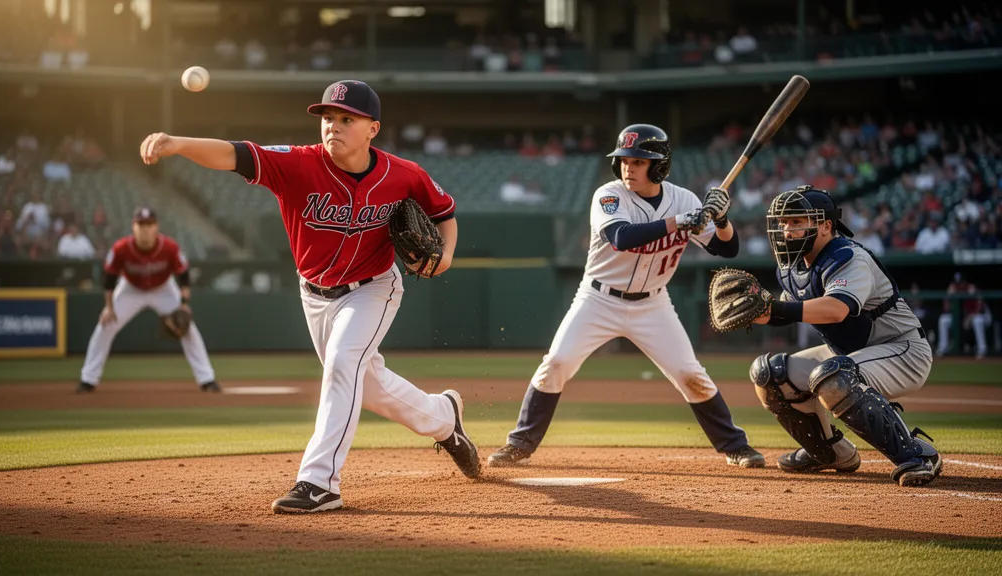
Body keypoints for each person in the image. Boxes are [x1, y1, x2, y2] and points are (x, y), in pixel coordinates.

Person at [138, 79, 480, 514]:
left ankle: (319, 483)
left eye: (346, 119)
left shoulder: (403, 174)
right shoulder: (298, 164)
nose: (332, 126)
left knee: (342, 365)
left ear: (372, 128)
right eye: (327, 118)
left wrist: (446, 255)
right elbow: (234, 153)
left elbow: (443, 213)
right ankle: (444, 418)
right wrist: (176, 143)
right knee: (369, 388)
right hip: (315, 294)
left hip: (374, 288)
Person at [486, 124, 765, 469]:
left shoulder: (685, 200)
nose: (627, 167)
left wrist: (722, 220)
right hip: (598, 299)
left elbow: (728, 248)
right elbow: (621, 236)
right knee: (556, 364)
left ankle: (736, 447)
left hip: (653, 304)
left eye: (638, 161)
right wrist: (678, 222)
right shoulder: (610, 194)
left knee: (689, 374)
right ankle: (520, 443)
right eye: (624, 160)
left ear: (659, 165)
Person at [749, 185, 941, 487]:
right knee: (769, 374)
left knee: (834, 378)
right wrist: (759, 312)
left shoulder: (848, 257)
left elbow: (836, 309)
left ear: (826, 226)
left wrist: (776, 308)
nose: (787, 230)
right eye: (784, 222)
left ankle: (917, 456)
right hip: (852, 355)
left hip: (902, 350)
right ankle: (829, 452)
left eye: (798, 221)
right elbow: (796, 309)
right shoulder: (794, 268)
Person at [78, 208, 219, 393]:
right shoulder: (121, 248)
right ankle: (88, 379)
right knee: (106, 325)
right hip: (130, 289)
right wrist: (108, 307)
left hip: (163, 288)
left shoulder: (170, 247)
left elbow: (184, 276)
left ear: (157, 227)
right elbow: (109, 279)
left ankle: (207, 379)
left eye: (149, 224)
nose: (145, 229)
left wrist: (184, 304)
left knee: (188, 328)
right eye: (141, 224)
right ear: (133, 227)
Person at [937, 272, 990, 359]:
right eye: (957, 284)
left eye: (961, 283)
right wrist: (948, 296)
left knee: (977, 321)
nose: (959, 286)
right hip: (964, 318)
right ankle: (943, 349)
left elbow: (980, 308)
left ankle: (982, 350)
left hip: (983, 316)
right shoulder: (953, 291)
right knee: (944, 320)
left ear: (965, 282)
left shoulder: (972, 289)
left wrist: (969, 317)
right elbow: (946, 309)